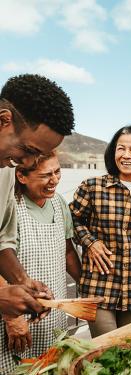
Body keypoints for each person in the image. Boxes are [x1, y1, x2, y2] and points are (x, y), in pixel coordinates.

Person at [70, 125, 131, 338]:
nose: (126, 155)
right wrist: (90, 242)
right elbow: (72, 219)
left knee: (129, 349)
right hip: (99, 285)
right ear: (113, 152)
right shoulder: (92, 187)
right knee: (106, 350)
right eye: (121, 149)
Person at [0, 74, 74, 318]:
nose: (29, 163)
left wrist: (22, 280)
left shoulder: (7, 169)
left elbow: (2, 238)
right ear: (4, 121)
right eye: (28, 150)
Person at [0, 152, 81, 374]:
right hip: (13, 314)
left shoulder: (59, 203)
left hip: (52, 313)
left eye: (57, 172)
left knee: (52, 374)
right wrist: (12, 318)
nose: (54, 180)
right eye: (45, 175)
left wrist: (85, 285)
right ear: (22, 176)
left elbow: (68, 253)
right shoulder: (9, 205)